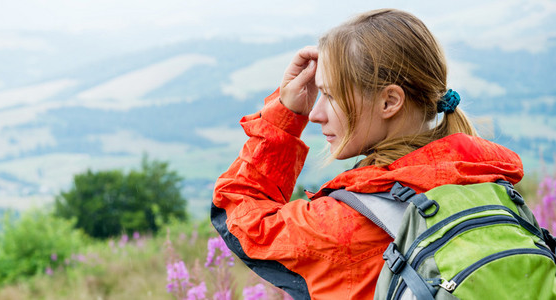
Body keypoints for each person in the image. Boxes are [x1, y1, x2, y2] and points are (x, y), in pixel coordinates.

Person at [211, 8, 524, 300]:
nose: (316, 113)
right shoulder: (491, 184)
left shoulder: (347, 224)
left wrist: (287, 116)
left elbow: (238, 214)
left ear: (389, 102)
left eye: (330, 95)